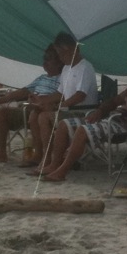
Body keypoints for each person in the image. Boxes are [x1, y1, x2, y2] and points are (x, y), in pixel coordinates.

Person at [35, 55, 127, 182]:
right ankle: (54, 164)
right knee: (64, 124)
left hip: (125, 127)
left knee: (83, 130)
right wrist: (100, 111)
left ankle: (62, 171)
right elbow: (114, 101)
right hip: (111, 120)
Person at [0, 46, 62, 163]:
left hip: (40, 111)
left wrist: (38, 100)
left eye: (48, 58)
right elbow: (19, 93)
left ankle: (2, 152)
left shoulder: (63, 80)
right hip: (26, 108)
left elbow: (58, 99)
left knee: (1, 112)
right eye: (44, 58)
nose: (44, 61)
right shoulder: (41, 78)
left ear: (59, 62)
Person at [27, 31, 99, 165]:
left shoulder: (85, 67)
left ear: (73, 50)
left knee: (44, 117)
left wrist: (59, 106)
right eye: (59, 54)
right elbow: (60, 94)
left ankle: (49, 159)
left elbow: (80, 95)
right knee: (35, 113)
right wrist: (41, 100)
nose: (60, 57)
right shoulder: (66, 68)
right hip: (69, 110)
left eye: (62, 53)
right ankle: (41, 155)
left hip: (83, 112)